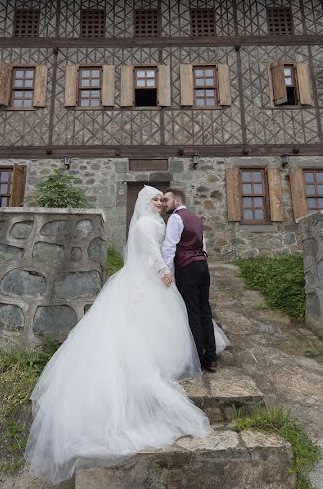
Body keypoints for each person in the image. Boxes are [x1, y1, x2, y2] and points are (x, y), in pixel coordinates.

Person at [24, 186, 227, 485]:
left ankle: (171, 354)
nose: (159, 203)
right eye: (155, 199)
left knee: (176, 317)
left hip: (164, 276)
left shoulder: (162, 221)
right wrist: (162, 270)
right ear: (145, 203)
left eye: (161, 199)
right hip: (147, 277)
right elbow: (152, 252)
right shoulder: (146, 224)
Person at [160, 188, 218, 372]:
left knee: (192, 313)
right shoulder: (196, 218)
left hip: (187, 268)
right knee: (205, 312)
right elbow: (203, 245)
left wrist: (168, 272)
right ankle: (211, 358)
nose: (163, 203)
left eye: (166, 200)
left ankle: (198, 359)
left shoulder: (176, 218)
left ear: (177, 200)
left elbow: (169, 247)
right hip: (202, 266)